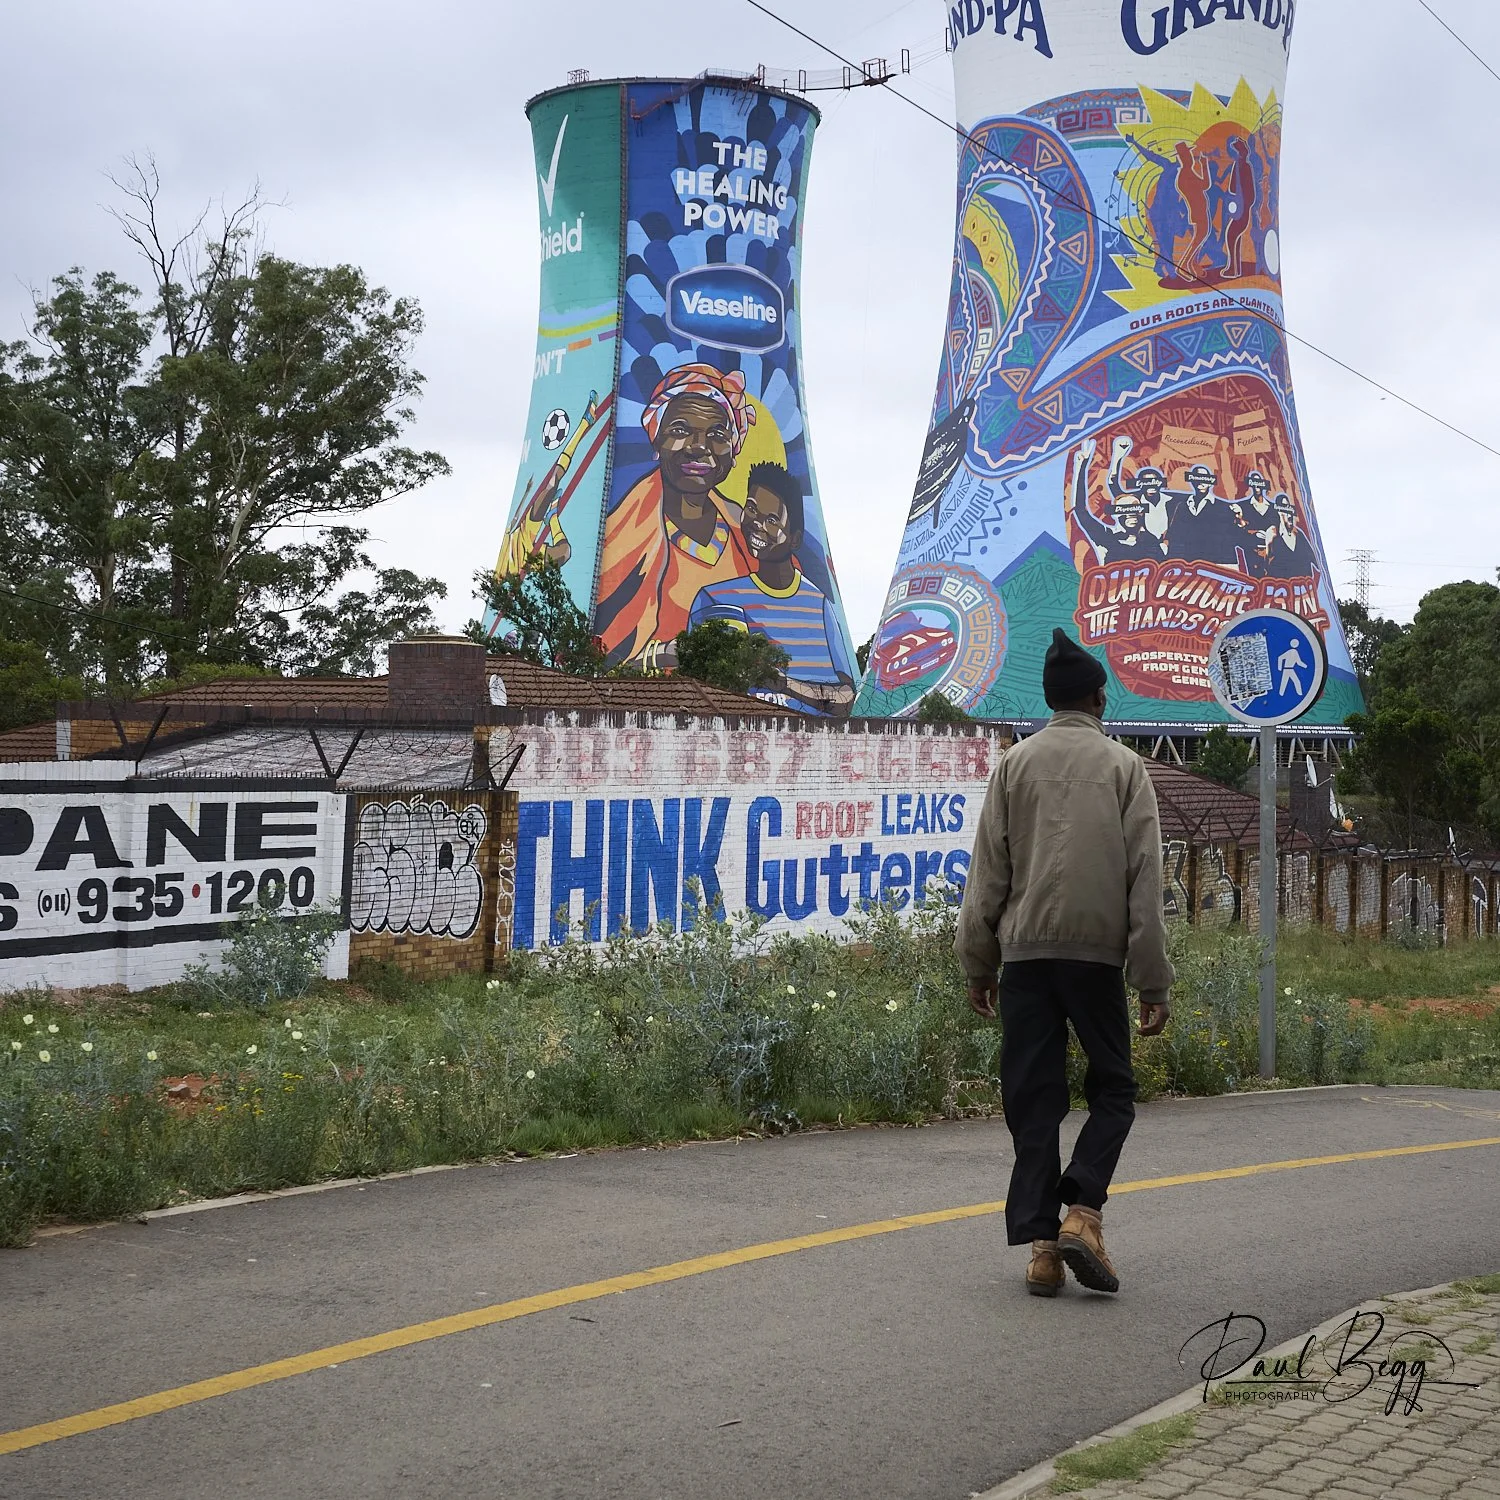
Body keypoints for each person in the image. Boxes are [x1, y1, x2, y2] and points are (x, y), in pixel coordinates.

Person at [956, 630, 1173, 1297]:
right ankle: (1083, 1211)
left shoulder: (1013, 767)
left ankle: (1044, 1249)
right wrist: (1151, 977)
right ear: (1098, 697)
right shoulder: (1123, 768)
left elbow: (987, 873)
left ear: (1050, 700)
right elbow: (1144, 877)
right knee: (1113, 1090)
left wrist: (978, 962)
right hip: (1095, 961)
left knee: (1034, 1099)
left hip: (1024, 959)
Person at [594, 364, 757, 670]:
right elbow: (601, 665)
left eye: (717, 434)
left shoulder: (750, 537)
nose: (698, 447)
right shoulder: (620, 538)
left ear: (733, 451)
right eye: (680, 430)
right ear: (656, 441)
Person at [686, 461, 856, 714]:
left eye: (773, 520)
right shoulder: (713, 599)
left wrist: (785, 685)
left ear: (795, 538)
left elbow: (847, 698)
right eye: (752, 509)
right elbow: (697, 686)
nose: (757, 523)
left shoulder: (819, 605)